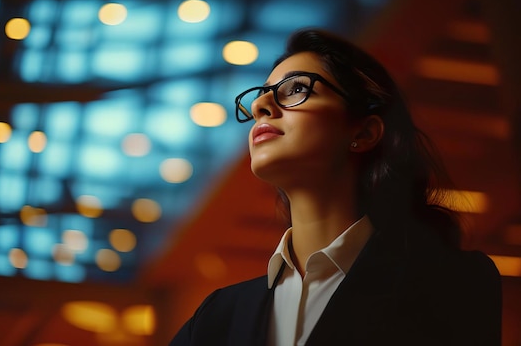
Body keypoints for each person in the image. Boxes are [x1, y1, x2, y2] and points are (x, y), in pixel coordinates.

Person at [170, 28, 502, 346]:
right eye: (261, 95)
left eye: (297, 88)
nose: (260, 107)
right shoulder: (217, 317)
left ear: (364, 133)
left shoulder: (451, 283)